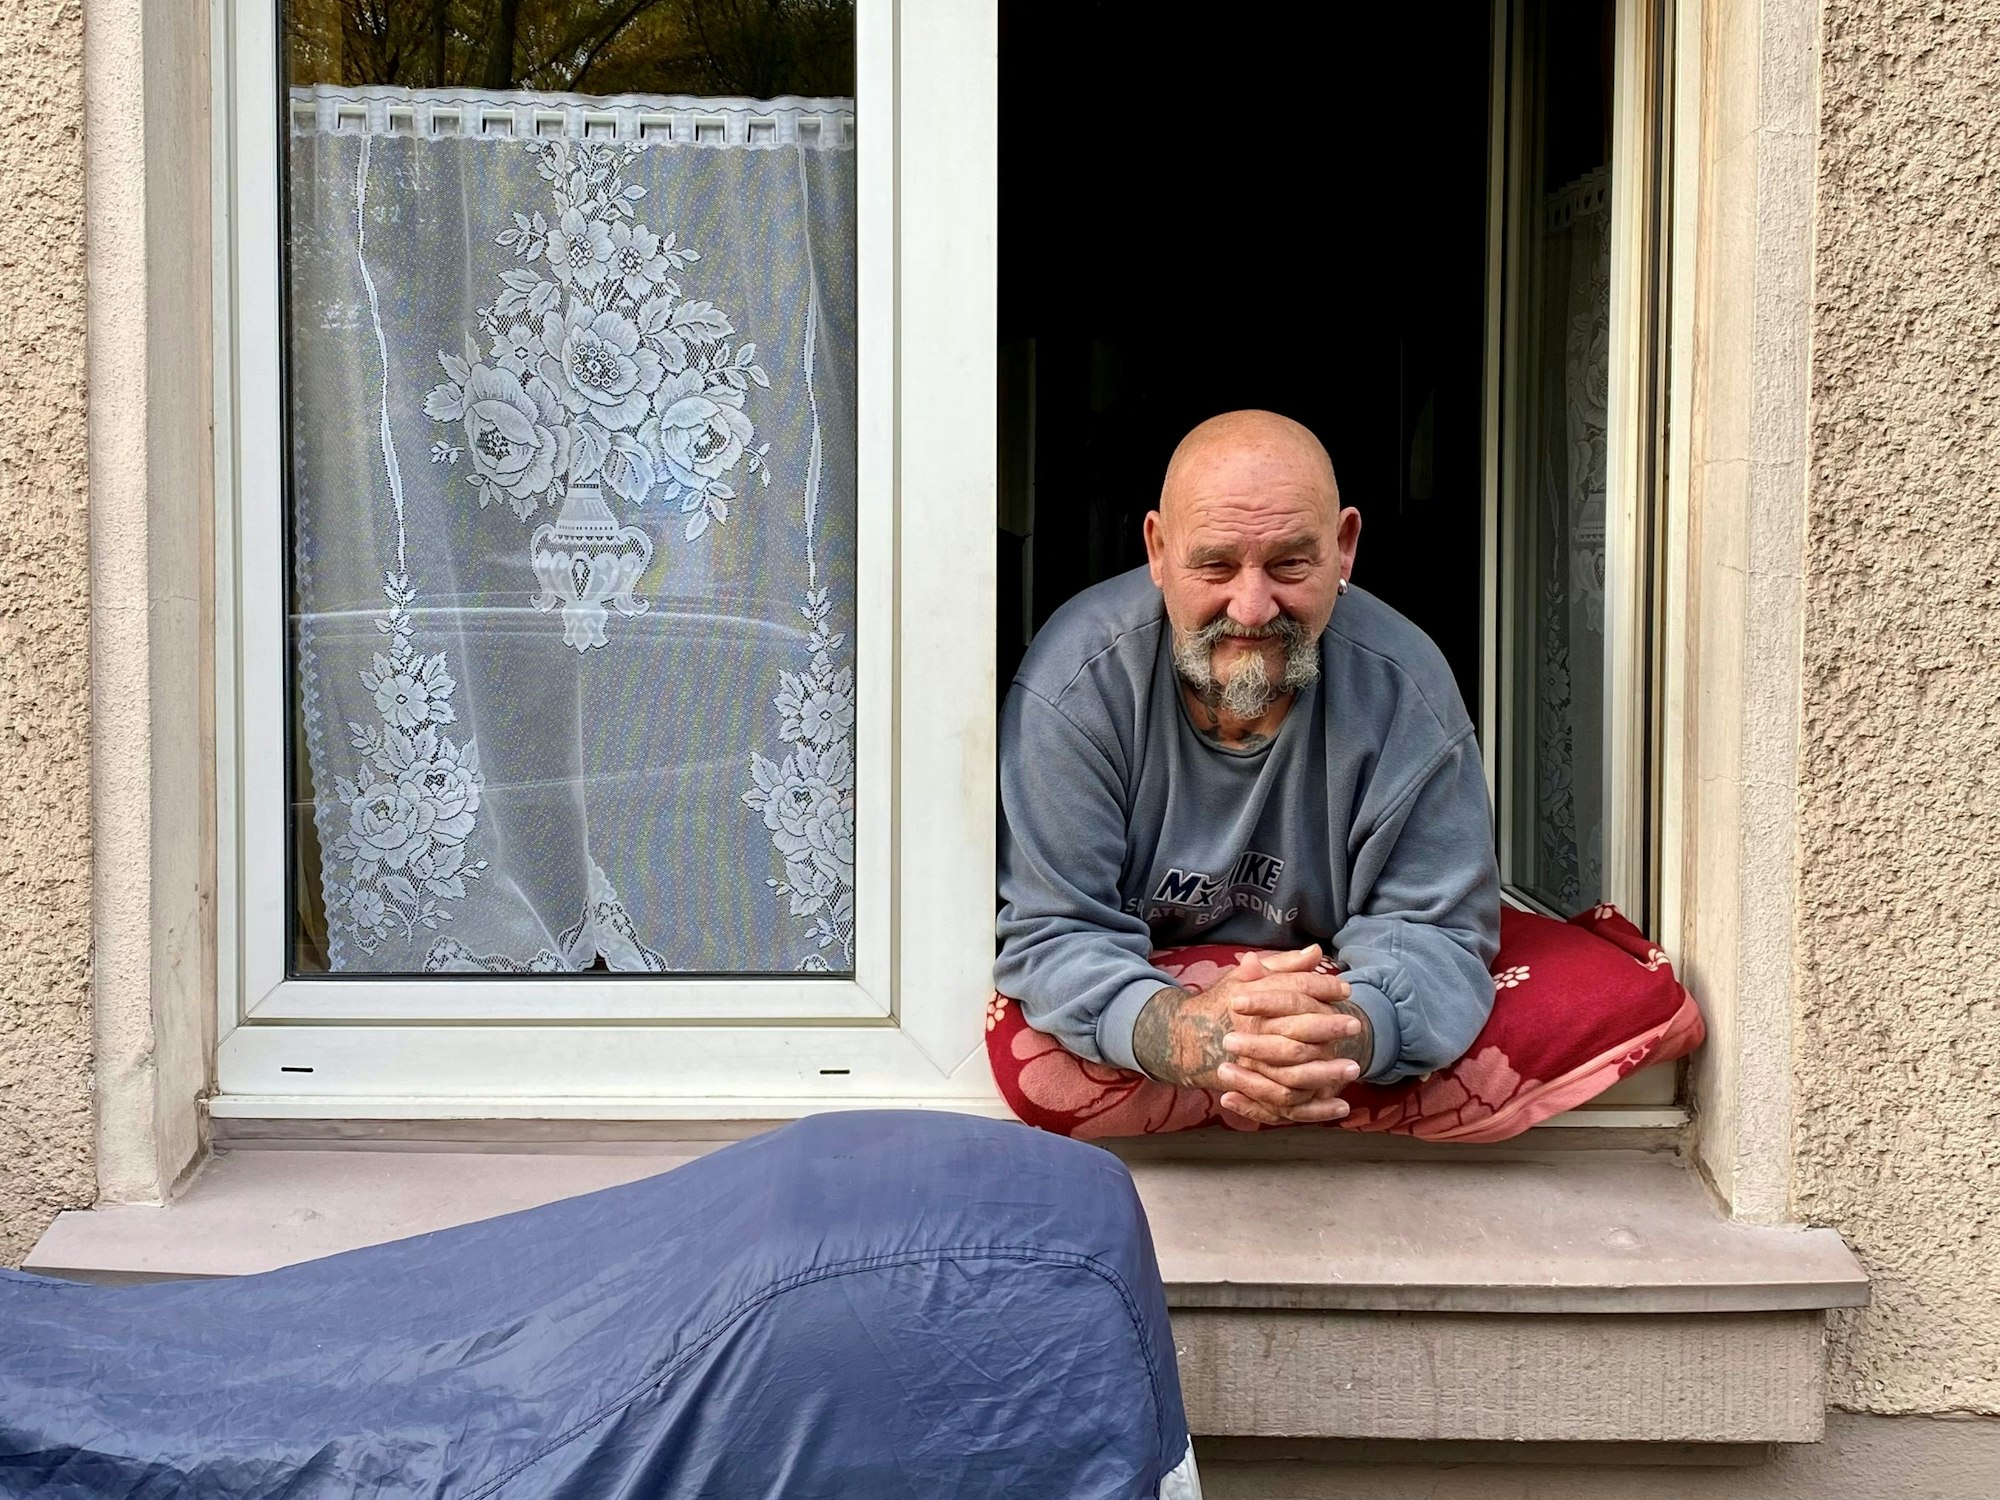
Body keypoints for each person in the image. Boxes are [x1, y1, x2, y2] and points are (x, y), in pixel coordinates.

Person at [995, 410, 1500, 1126]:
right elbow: (1055, 932)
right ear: (1158, 550)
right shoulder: (1077, 683)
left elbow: (1438, 931)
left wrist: (1342, 1034)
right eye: (1215, 565)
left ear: (1345, 548)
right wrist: (1188, 1034)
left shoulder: (1405, 687)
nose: (1254, 609)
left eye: (1290, 564)